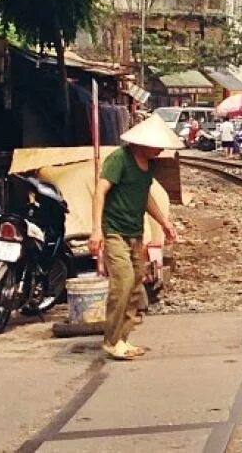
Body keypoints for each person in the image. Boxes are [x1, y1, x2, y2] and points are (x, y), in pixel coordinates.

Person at [89, 113, 182, 361]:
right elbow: (100, 191)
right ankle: (111, 340)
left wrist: (164, 222)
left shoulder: (149, 165)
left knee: (135, 282)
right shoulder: (119, 159)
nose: (161, 150)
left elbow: (145, 195)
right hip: (114, 231)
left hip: (135, 231)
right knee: (123, 280)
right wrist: (96, 229)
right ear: (142, 143)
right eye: (157, 145)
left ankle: (123, 338)